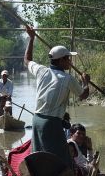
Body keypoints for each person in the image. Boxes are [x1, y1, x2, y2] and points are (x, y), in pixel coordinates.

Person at [24, 26, 90, 167]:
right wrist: (85, 82)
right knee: (61, 157)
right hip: (51, 123)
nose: (70, 62)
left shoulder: (41, 70)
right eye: (68, 59)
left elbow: (27, 60)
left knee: (39, 154)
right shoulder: (67, 79)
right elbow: (83, 95)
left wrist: (31, 38)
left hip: (36, 120)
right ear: (60, 61)